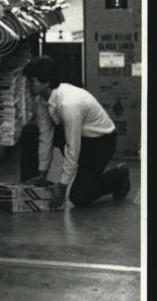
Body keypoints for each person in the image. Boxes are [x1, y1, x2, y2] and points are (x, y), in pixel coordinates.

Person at [20, 56, 130, 209]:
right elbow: (45, 136)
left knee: (79, 197)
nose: (28, 86)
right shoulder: (42, 100)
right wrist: (42, 174)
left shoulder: (69, 104)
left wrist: (62, 185)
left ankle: (119, 175)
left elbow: (73, 146)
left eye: (31, 81)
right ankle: (30, 188)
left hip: (100, 143)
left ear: (46, 82)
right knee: (31, 131)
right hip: (77, 136)